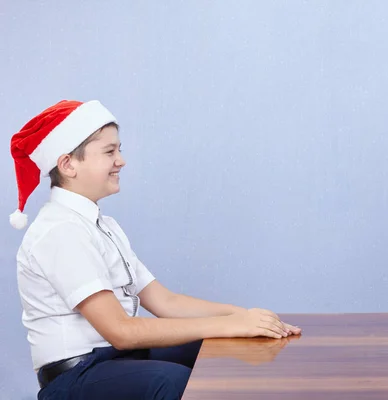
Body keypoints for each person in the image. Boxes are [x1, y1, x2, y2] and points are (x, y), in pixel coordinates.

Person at [9, 99, 301, 400]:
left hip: (117, 360)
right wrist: (230, 324)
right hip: (76, 377)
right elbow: (121, 332)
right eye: (110, 152)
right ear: (68, 164)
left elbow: (165, 301)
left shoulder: (101, 225)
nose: (120, 160)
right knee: (173, 380)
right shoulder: (60, 231)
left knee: (219, 349)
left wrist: (246, 317)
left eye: (119, 150)